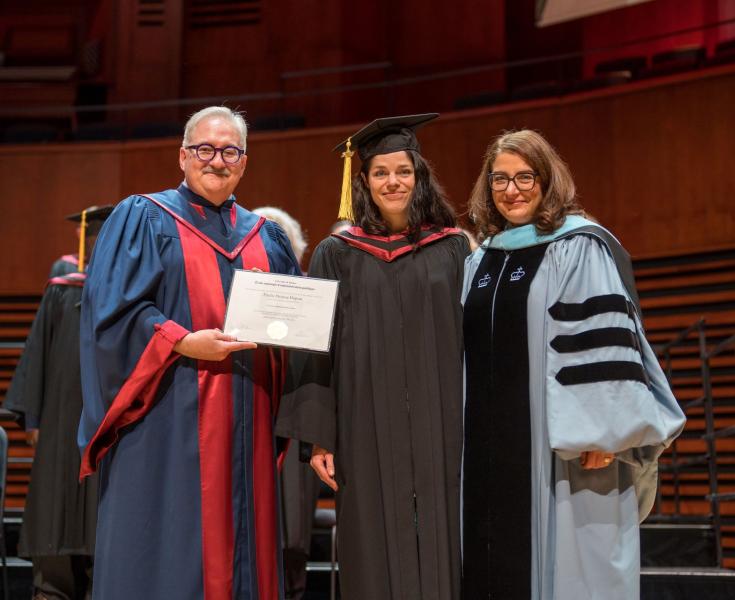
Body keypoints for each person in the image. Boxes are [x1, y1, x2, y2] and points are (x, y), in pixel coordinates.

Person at [78, 106, 301, 600]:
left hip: (248, 419)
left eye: (229, 151)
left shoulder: (267, 236)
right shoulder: (143, 218)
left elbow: (294, 325)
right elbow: (111, 315)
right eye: (204, 149)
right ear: (183, 156)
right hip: (167, 421)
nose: (216, 160)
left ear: (243, 162)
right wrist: (181, 340)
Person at [460, 129, 686, 600]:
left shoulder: (579, 245)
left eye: (525, 177)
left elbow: (601, 348)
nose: (512, 190)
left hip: (562, 446)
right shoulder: (480, 258)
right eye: (499, 179)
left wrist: (602, 433)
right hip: (485, 446)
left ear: (547, 181)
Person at [276, 114, 469, 600]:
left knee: (445, 535)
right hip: (365, 425)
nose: (393, 182)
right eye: (381, 173)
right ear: (363, 181)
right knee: (370, 537)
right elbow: (315, 348)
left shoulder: (453, 250)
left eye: (403, 171)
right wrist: (321, 438)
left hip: (443, 421)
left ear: (419, 176)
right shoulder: (336, 253)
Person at [4, 206, 112, 600]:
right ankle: (51, 590)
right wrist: (32, 418)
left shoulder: (134, 293)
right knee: (55, 505)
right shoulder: (62, 289)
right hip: (60, 424)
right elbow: (38, 352)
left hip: (111, 423)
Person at [252, 205, 318, 600]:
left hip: (296, 424)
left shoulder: (310, 294)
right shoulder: (234, 295)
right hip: (252, 418)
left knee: (291, 534)